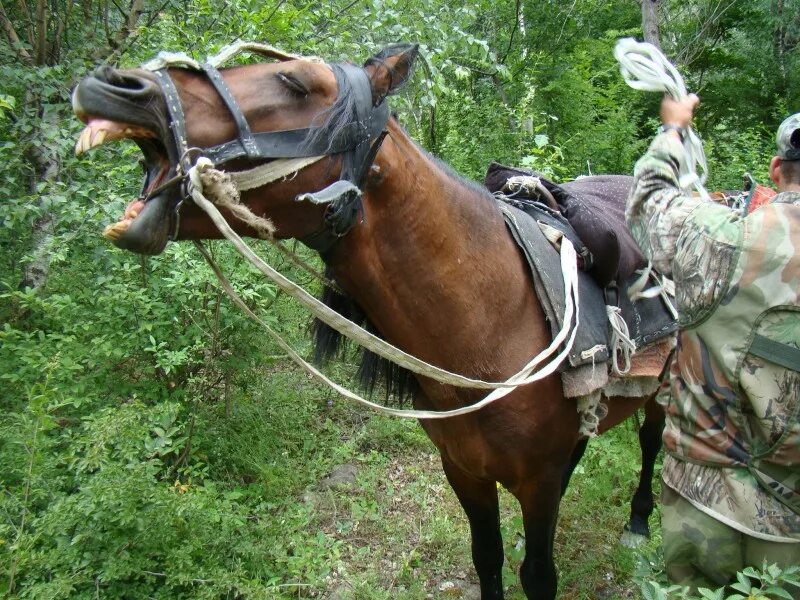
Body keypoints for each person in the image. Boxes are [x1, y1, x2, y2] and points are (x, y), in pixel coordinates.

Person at [626, 96, 800, 591]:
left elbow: (646, 205)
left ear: (775, 169)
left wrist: (674, 131)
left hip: (702, 503)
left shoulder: (719, 238)